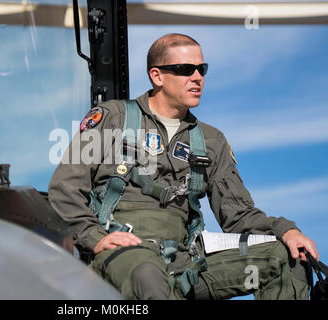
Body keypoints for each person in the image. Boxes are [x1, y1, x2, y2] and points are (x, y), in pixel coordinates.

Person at [48, 33, 319, 300]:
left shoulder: (211, 140)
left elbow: (238, 215)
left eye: (202, 69)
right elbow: (64, 189)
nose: (197, 77)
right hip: (123, 252)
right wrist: (93, 237)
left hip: (185, 260)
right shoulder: (111, 118)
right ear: (157, 76)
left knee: (287, 257)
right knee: (148, 277)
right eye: (186, 69)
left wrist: (285, 230)